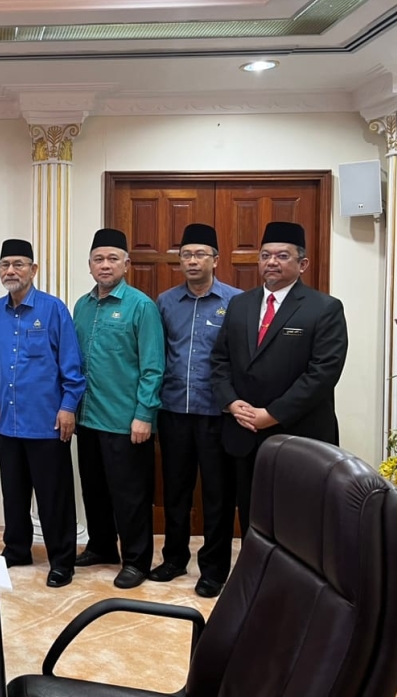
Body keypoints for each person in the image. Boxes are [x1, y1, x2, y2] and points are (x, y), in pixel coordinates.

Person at [210, 221, 348, 537]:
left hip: (299, 434)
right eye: (266, 255)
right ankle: (256, 568)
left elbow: (323, 373)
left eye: (282, 256)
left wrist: (271, 414)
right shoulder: (239, 304)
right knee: (253, 516)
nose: (272, 262)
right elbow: (219, 360)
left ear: (303, 264)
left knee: (300, 520)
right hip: (244, 432)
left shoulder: (324, 308)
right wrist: (231, 402)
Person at [0, 239, 86, 588]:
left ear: (33, 269)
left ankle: (62, 560)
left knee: (53, 496)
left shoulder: (53, 309)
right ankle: (16, 549)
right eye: (5, 265)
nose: (11, 271)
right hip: (8, 422)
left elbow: (72, 365)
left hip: (47, 422)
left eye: (19, 264)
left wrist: (68, 407)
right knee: (13, 492)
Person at [152, 224, 241, 598]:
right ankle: (174, 558)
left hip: (217, 413)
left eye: (200, 254)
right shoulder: (165, 302)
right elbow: (157, 353)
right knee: (175, 490)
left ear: (215, 260)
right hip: (173, 410)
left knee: (218, 495)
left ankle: (214, 569)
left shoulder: (236, 302)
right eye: (186, 255)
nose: (192, 261)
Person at [73, 228, 164, 590]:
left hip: (126, 421)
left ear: (127, 264)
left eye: (113, 259)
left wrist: (144, 414)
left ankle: (137, 560)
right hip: (87, 417)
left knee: (131, 496)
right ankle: (101, 546)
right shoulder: (81, 306)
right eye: (99, 259)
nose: (105, 265)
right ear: (90, 265)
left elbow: (153, 366)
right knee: (94, 489)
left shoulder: (141, 306)